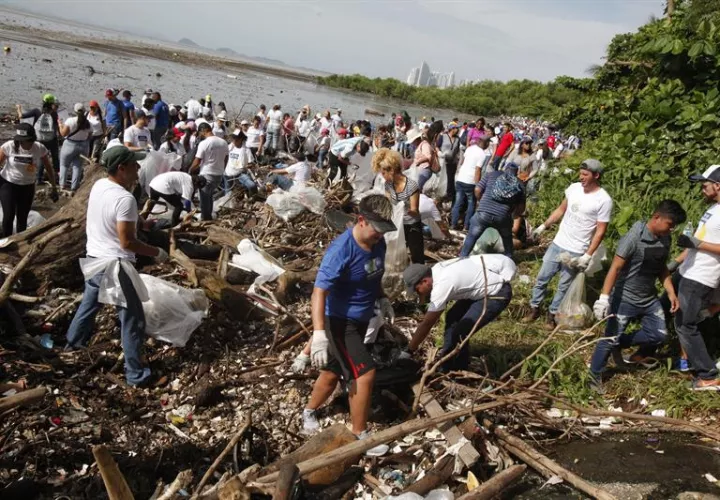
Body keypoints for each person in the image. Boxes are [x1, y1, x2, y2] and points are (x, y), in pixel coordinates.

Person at [65, 146, 168, 387]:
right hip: (115, 267)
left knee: (89, 305)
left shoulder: (100, 185)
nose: (138, 168)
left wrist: (141, 222)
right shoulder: (125, 198)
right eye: (133, 164)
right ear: (121, 168)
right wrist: (157, 252)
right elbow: (127, 242)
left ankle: (71, 347)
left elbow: (114, 216)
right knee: (133, 319)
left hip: (94, 260)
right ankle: (136, 375)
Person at [303, 194, 396, 455]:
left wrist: (383, 298)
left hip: (363, 316)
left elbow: (375, 273)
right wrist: (319, 334)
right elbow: (319, 293)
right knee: (364, 372)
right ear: (362, 220)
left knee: (333, 371)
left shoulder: (379, 244)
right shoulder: (341, 251)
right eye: (377, 229)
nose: (381, 235)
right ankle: (359, 434)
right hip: (340, 321)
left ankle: (309, 411)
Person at [588, 200, 687, 392]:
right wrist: (604, 298)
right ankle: (594, 375)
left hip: (648, 299)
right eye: (669, 224)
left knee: (658, 335)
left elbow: (661, 268)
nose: (671, 229)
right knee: (609, 339)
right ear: (657, 217)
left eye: (674, 226)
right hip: (624, 298)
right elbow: (615, 268)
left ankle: (620, 343)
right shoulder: (634, 237)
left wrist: (671, 292)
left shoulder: (665, 239)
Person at [524, 159, 613, 329]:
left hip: (576, 249)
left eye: (585, 175)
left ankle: (552, 314)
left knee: (563, 285)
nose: (581, 177)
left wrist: (587, 255)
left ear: (596, 175)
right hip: (558, 243)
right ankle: (534, 308)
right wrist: (543, 226)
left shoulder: (603, 200)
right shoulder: (574, 189)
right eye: (580, 173)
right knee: (542, 277)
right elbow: (560, 209)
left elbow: (601, 231)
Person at [402, 254, 516, 371]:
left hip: (496, 294)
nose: (418, 294)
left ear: (425, 281)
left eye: (417, 290)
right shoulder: (437, 269)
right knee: (452, 317)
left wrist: (409, 350)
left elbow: (427, 323)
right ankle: (447, 360)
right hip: (481, 290)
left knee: (461, 331)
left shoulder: (442, 285)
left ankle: (458, 369)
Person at [669, 165, 720, 390]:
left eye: (705, 185)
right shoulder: (712, 210)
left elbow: (701, 244)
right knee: (666, 308)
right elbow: (696, 242)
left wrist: (699, 244)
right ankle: (650, 352)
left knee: (685, 324)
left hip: (701, 276)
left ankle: (708, 375)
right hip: (687, 270)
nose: (702, 189)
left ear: (717, 186)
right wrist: (676, 262)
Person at [0, 123, 59, 236]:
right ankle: (6, 243)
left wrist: (54, 187)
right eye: (20, 140)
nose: (22, 143)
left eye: (25, 140)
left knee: (22, 218)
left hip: (27, 186)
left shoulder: (39, 148)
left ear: (32, 139)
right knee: (8, 216)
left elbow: (49, 168)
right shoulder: (9, 146)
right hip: (8, 184)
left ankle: (20, 242)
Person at [459, 163, 525, 257]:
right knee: (507, 241)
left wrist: (482, 201)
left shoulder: (492, 174)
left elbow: (477, 190)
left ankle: (462, 257)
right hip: (502, 217)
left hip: (483, 214)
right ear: (517, 172)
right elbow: (521, 208)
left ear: (504, 168)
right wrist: (511, 213)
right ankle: (508, 260)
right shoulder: (520, 184)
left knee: (471, 237)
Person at [372, 148, 424, 264]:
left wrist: (404, 208)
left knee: (417, 254)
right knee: (393, 251)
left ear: (392, 171)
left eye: (383, 173)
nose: (382, 176)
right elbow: (387, 203)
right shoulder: (388, 185)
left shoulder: (411, 186)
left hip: (411, 225)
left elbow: (415, 211)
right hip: (395, 223)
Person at [16, 93, 60, 183]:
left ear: (43, 101)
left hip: (39, 139)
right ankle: (57, 177)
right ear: (52, 103)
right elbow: (55, 127)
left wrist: (19, 109)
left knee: (41, 158)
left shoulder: (37, 111)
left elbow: (21, 116)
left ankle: (39, 179)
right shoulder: (54, 113)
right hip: (52, 139)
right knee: (55, 157)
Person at [189, 123, 228, 220]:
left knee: (204, 201)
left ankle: (206, 221)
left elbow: (197, 161)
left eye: (200, 133)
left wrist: (190, 170)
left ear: (203, 130)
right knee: (209, 197)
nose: (200, 135)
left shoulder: (204, 143)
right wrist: (222, 169)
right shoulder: (223, 142)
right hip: (218, 175)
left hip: (206, 175)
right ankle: (209, 218)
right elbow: (226, 158)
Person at [451, 137, 487, 230]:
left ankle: (453, 224)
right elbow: (477, 170)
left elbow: (462, 162)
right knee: (471, 203)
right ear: (485, 143)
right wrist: (478, 185)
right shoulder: (482, 154)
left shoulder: (469, 148)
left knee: (458, 202)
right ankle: (466, 226)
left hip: (460, 178)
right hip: (470, 181)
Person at [58, 103, 92, 193]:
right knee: (77, 167)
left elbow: (63, 134)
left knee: (64, 165)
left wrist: (60, 124)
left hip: (70, 144)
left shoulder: (70, 120)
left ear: (75, 111)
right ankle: (74, 187)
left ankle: (62, 186)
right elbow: (90, 135)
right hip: (83, 146)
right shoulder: (88, 123)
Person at [225, 129, 257, 194]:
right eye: (233, 139)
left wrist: (247, 166)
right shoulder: (229, 147)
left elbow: (252, 163)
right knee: (227, 193)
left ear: (241, 139)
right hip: (228, 173)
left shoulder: (246, 150)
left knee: (252, 185)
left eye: (236, 139)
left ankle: (253, 198)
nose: (234, 141)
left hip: (240, 174)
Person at [437, 123, 461, 202]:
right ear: (451, 129)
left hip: (452, 162)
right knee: (441, 178)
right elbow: (436, 146)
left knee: (450, 179)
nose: (457, 130)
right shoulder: (443, 136)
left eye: (457, 128)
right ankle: (440, 193)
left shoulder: (458, 139)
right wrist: (439, 153)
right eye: (456, 128)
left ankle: (449, 195)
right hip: (443, 161)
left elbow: (457, 150)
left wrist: (458, 159)